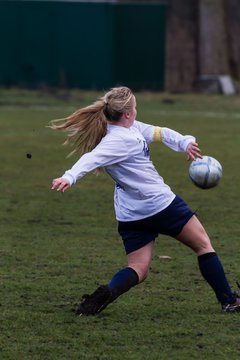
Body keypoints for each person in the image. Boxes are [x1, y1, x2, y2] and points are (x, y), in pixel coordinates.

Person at [50, 86, 240, 316]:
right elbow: (92, 158)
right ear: (128, 113)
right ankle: (229, 301)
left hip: (130, 213)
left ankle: (102, 297)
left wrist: (185, 142)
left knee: (138, 268)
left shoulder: (130, 129)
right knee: (203, 246)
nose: (137, 111)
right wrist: (69, 176)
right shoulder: (118, 140)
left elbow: (160, 132)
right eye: (136, 107)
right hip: (160, 204)